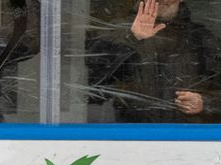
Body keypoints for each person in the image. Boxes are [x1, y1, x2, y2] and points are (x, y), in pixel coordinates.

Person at [86, 0, 221, 123]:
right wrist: (132, 38)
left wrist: (205, 103)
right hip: (130, 134)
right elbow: (91, 88)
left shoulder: (201, 38)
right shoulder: (116, 32)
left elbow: (216, 89)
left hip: (187, 135)